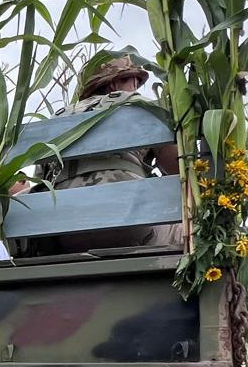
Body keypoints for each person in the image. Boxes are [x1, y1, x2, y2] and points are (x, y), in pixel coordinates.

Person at [45, 52, 181, 252]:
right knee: (189, 228)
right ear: (113, 84)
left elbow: (43, 178)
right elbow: (178, 168)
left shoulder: (57, 119)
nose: (135, 88)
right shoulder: (140, 107)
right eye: (134, 80)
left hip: (66, 232)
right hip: (129, 224)